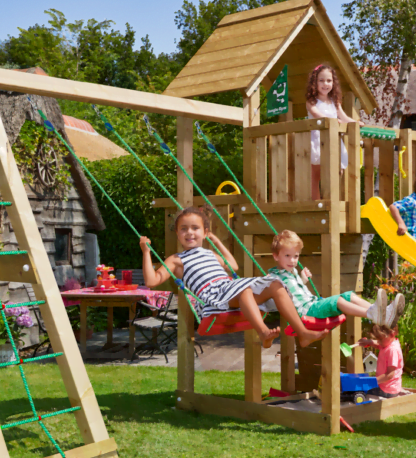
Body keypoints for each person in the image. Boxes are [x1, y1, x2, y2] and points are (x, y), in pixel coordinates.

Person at [139, 207, 328, 349]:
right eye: (183, 229)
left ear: (204, 233)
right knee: (245, 289)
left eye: (195, 228)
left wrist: (216, 241)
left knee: (276, 284)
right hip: (213, 296)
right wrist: (146, 252)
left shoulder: (210, 254)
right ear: (178, 234)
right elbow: (151, 281)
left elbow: (232, 266)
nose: (189, 232)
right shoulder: (176, 259)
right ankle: (263, 333)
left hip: (229, 288)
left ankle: (303, 333)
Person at [267, 229, 400, 327]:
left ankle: (383, 313)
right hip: (306, 312)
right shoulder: (273, 277)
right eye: (287, 256)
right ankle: (372, 314)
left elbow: (292, 291)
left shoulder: (293, 272)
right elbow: (272, 295)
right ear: (276, 256)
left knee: (349, 295)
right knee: (337, 301)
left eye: (296, 256)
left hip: (313, 304)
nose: (292, 260)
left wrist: (302, 280)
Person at [306, 63, 362, 200]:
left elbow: (343, 117)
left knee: (337, 170)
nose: (325, 84)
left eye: (329, 80)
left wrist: (355, 123)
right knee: (316, 173)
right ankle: (316, 202)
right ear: (315, 82)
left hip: (333, 139)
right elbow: (317, 114)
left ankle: (332, 199)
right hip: (318, 139)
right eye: (321, 80)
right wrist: (333, 121)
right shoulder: (311, 101)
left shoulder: (334, 101)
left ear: (333, 83)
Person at [358, 324, 405, 398]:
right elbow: (378, 344)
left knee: (360, 390)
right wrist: (369, 342)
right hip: (386, 386)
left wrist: (372, 381)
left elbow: (389, 375)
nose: (378, 342)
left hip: (387, 390)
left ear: (392, 334)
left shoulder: (392, 350)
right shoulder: (387, 344)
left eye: (380, 339)